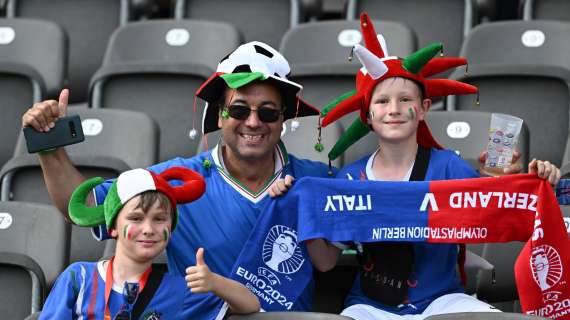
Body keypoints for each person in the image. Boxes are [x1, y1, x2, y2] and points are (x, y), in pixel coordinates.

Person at [271, 13, 561, 320]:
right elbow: (327, 262)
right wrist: (301, 212)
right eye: (382, 101)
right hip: (369, 307)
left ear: (423, 109)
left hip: (444, 301)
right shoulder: (351, 177)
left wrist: (520, 179)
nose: (394, 110)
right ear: (367, 115)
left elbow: (494, 211)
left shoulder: (448, 166)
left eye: (405, 99)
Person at [22, 41, 331, 317]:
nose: (252, 121)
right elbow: (85, 206)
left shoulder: (314, 179)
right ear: (219, 114)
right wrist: (49, 148)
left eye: (267, 113)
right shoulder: (177, 180)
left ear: (283, 119)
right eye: (238, 110)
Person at [40, 167, 260, 319]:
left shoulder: (180, 290)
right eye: (136, 218)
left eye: (159, 219)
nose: (148, 229)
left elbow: (251, 305)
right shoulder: (78, 278)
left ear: (170, 229)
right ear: (112, 227)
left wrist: (215, 282)